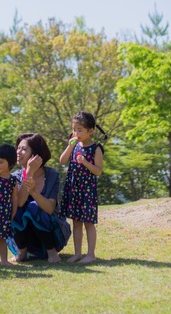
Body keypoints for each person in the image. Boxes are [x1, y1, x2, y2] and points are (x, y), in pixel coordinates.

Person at [11, 133, 69, 263]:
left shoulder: (52, 174)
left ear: (35, 155)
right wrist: (29, 172)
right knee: (13, 208)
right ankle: (22, 252)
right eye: (18, 148)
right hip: (26, 239)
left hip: (53, 235)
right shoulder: (15, 176)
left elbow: (49, 209)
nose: (18, 152)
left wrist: (34, 192)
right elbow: (19, 203)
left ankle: (52, 253)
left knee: (34, 206)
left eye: (24, 149)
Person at [58, 111, 106, 264]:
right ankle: (77, 253)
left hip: (87, 190)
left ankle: (90, 254)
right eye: (74, 130)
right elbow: (62, 161)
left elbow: (98, 171)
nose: (76, 133)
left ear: (90, 131)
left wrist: (85, 162)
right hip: (74, 188)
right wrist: (69, 147)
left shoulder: (96, 148)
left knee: (88, 223)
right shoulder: (74, 146)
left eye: (79, 130)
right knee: (76, 222)